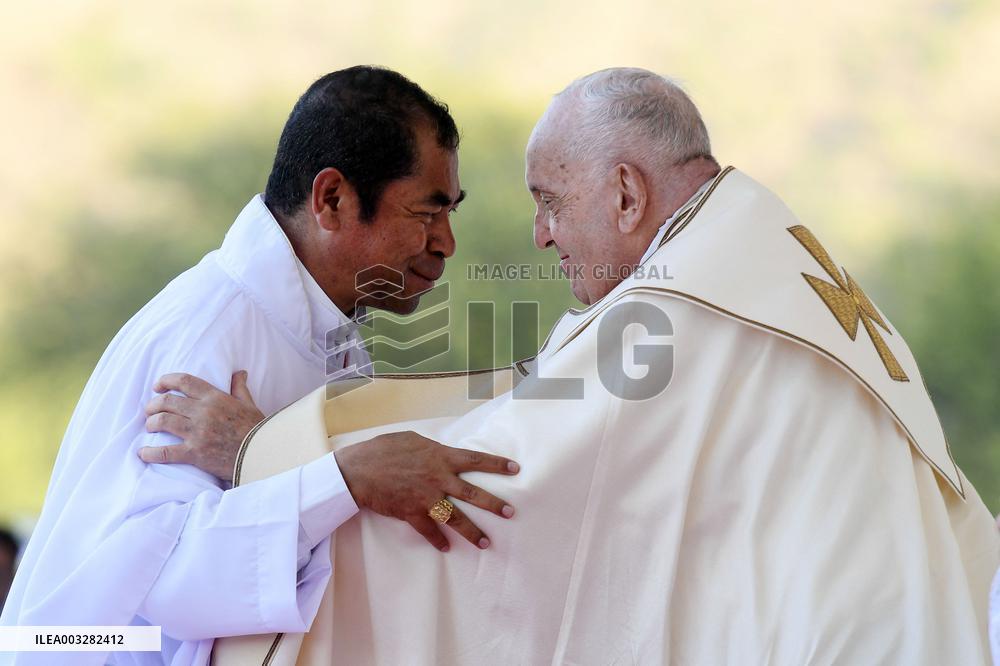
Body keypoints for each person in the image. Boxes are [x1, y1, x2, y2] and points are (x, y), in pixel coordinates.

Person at [163, 68, 1000, 665]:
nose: (541, 235)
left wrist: (263, 459)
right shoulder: (763, 257)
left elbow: (505, 485)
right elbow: (538, 407)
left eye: (549, 201)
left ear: (628, 195)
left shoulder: (680, 308)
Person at [0, 66, 522, 666]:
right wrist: (343, 477)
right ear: (332, 199)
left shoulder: (326, 333)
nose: (446, 242)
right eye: (427, 213)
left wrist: (274, 455)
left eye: (449, 212)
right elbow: (165, 582)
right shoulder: (210, 334)